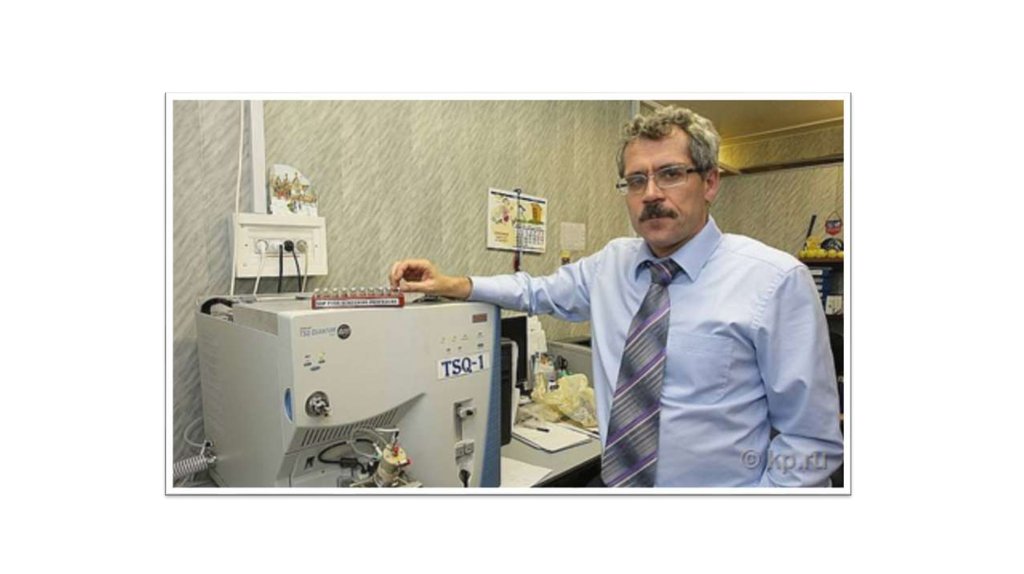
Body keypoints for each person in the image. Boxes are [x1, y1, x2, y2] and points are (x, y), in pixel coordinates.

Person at [389, 106, 843, 487]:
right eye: (635, 180)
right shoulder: (611, 264)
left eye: (670, 174)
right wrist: (452, 284)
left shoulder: (775, 281)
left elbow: (812, 441)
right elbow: (536, 290)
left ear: (709, 182)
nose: (651, 194)